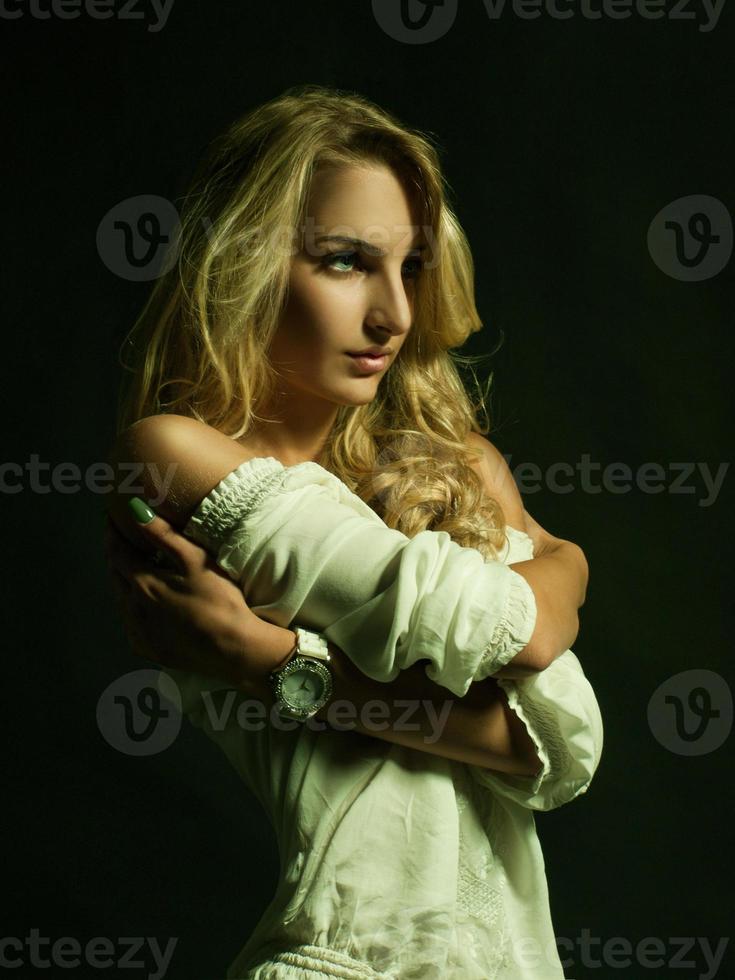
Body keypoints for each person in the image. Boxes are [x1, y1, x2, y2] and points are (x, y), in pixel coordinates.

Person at [104, 84, 603, 979]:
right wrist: (556, 577)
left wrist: (266, 657)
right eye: (343, 261)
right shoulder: (175, 456)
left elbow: (560, 751)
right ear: (241, 266)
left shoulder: (454, 466)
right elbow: (521, 645)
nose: (395, 316)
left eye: (409, 267)